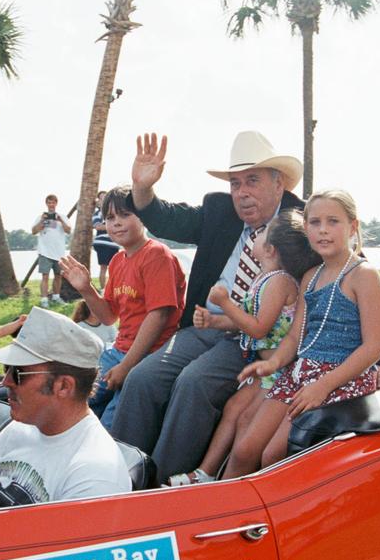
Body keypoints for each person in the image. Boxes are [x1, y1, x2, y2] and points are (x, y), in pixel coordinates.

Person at [110, 130, 305, 481]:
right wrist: (142, 188)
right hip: (202, 326)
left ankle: (161, 486)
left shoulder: (302, 222)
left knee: (194, 383)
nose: (241, 193)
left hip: (254, 340)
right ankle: (115, 476)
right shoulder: (219, 211)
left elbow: (347, 274)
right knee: (141, 378)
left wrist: (379, 357)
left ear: (279, 185)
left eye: (252, 181)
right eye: (235, 183)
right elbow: (167, 217)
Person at [224, 190, 380, 478]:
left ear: (353, 226)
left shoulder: (363, 275)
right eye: (314, 222)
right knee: (245, 450)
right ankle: (221, 509)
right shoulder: (311, 277)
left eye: (333, 221)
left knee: (273, 454)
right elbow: (294, 338)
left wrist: (323, 385)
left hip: (341, 378)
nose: (323, 230)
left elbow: (373, 347)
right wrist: (273, 364)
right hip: (300, 373)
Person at [167, 209, 317, 486]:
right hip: (265, 367)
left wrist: (224, 304)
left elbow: (258, 327)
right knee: (234, 408)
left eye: (262, 235)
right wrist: (214, 320)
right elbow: (246, 320)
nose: (255, 238)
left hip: (279, 369)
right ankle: (206, 472)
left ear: (270, 249)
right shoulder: (264, 278)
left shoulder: (279, 282)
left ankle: (233, 481)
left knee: (246, 417)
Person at [59, 186, 186, 429]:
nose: (116, 223)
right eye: (110, 218)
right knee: (72, 406)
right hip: (118, 351)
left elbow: (158, 316)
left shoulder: (157, 255)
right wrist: (86, 288)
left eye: (125, 214)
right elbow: (108, 316)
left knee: (111, 423)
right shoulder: (118, 260)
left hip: (148, 356)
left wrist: (126, 366)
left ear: (144, 217)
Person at [0, 307, 131, 508]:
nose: (6, 382)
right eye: (7, 369)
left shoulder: (94, 476)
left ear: (64, 386)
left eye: (17, 373)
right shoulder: (16, 431)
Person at [31, 194, 72, 307]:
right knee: (45, 276)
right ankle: (44, 299)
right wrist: (43, 221)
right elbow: (34, 231)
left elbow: (68, 230)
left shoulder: (62, 216)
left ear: (56, 203)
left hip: (59, 253)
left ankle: (56, 297)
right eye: (49, 202)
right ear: (46, 204)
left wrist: (60, 220)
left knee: (58, 276)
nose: (51, 204)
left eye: (53, 202)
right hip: (44, 252)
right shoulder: (41, 217)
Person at [91, 190, 120, 289]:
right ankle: (103, 290)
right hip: (102, 243)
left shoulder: (115, 212)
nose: (103, 200)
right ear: (98, 201)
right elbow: (97, 226)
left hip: (114, 243)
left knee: (115, 268)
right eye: (101, 198)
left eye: (105, 197)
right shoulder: (97, 213)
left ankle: (113, 288)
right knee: (103, 267)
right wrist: (113, 226)